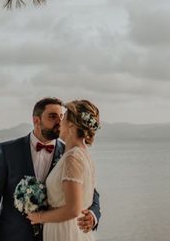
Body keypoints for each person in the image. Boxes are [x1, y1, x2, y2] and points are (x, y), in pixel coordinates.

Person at [0, 97, 101, 241]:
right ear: (36, 120)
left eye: (62, 116)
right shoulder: (8, 151)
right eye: (53, 116)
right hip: (13, 236)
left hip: (57, 234)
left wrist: (92, 215)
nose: (59, 122)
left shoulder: (70, 154)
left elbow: (91, 192)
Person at [27, 100, 100, 241]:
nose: (60, 122)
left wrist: (39, 217)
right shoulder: (81, 154)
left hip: (65, 232)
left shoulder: (73, 157)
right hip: (69, 229)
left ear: (71, 125)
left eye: (63, 118)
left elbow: (73, 209)